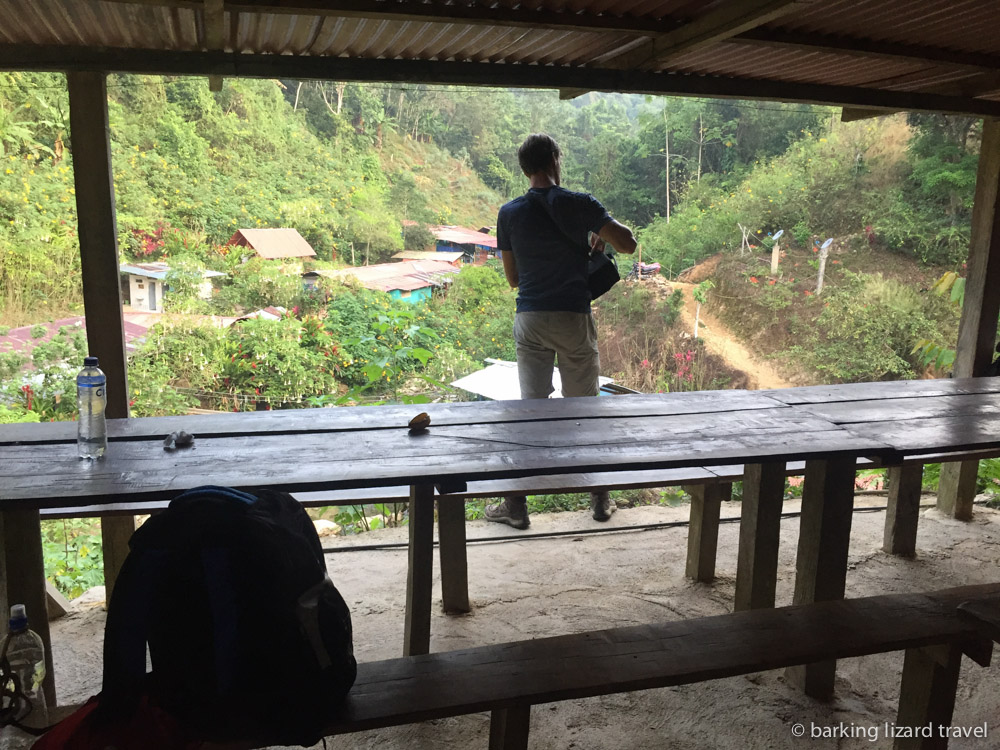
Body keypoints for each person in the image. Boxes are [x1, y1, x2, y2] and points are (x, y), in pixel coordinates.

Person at [485, 133, 637, 530]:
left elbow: (513, 279)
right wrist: (596, 241)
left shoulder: (509, 212)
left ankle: (516, 506)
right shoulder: (581, 204)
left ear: (524, 168)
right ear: (555, 160)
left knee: (531, 410)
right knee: (585, 407)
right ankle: (600, 499)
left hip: (531, 319)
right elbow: (628, 245)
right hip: (573, 317)